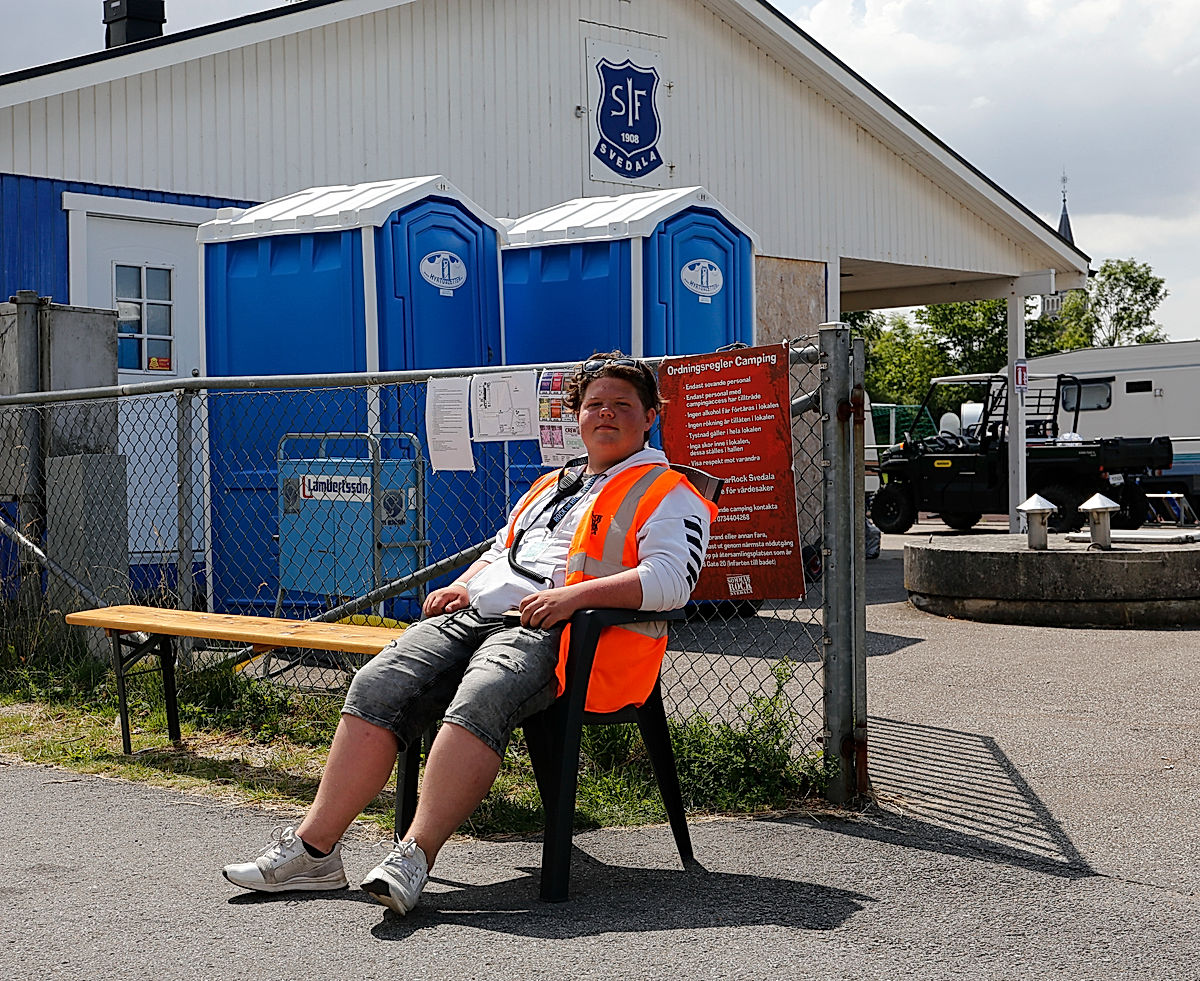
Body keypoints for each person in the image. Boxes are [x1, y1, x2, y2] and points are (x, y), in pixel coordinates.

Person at [222, 353, 717, 915]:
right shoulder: (552, 484)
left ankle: (414, 854)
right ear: (575, 416)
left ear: (650, 416)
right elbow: (500, 550)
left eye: (622, 405)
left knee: (478, 699)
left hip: (565, 634)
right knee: (377, 682)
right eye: (593, 404)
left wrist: (571, 598)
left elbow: (672, 580)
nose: (605, 414)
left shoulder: (668, 490)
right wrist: (464, 584)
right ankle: (314, 852)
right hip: (479, 616)